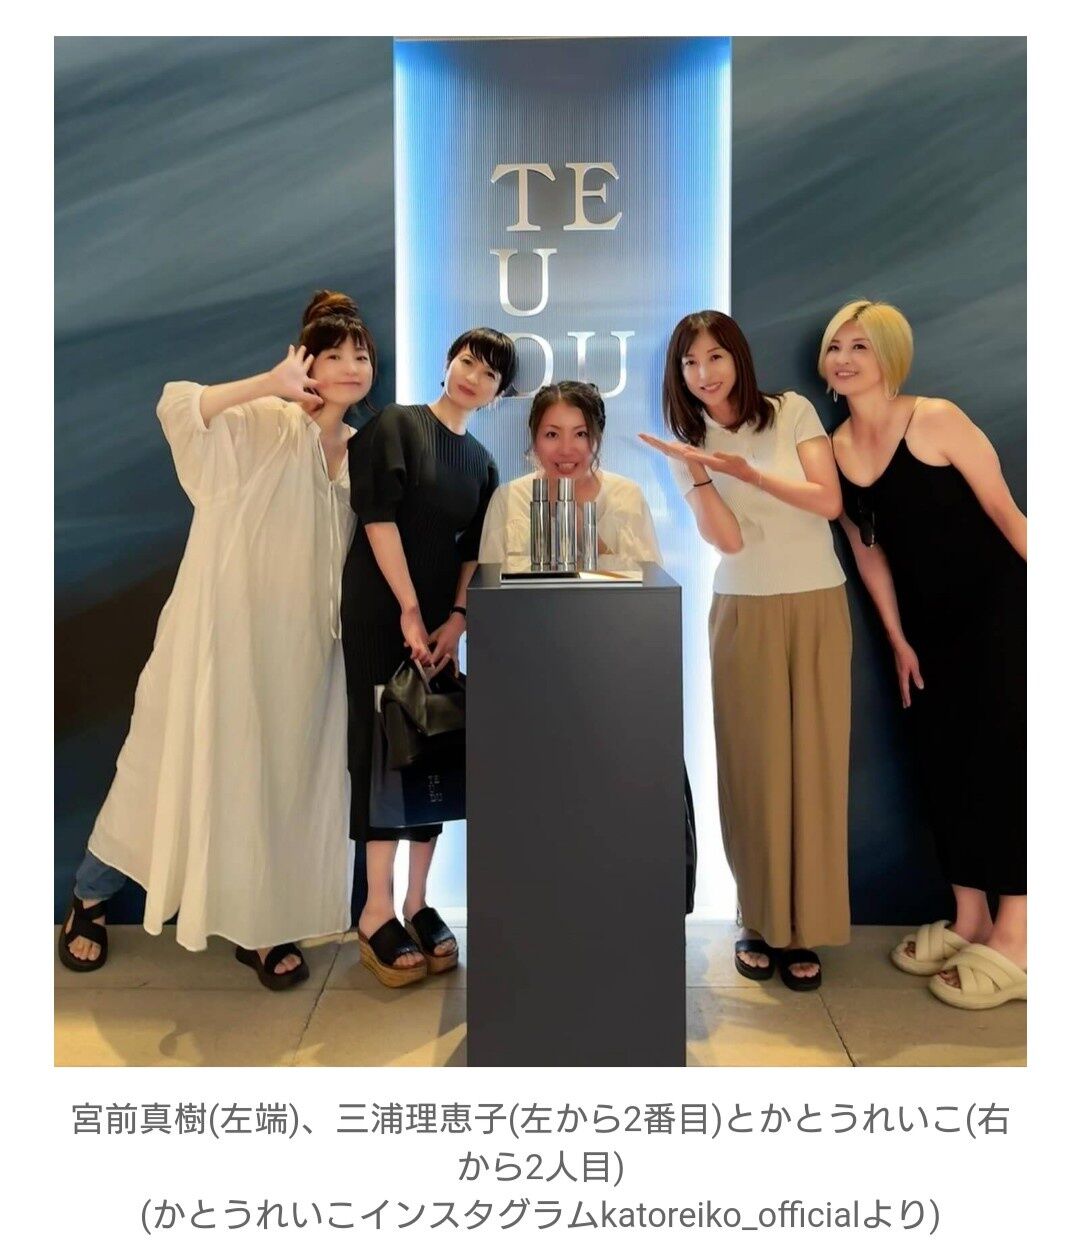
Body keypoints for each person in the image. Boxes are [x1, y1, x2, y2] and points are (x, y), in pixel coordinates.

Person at [58, 290, 374, 990]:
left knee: (277, 786)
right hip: (222, 637)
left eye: (361, 355)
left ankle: (260, 926)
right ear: (306, 363)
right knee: (167, 769)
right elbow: (178, 406)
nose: (351, 366)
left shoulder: (362, 450)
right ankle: (90, 896)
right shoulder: (264, 422)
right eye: (334, 355)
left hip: (305, 654)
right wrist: (269, 384)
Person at [821, 299, 1027, 1009]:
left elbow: (1007, 515)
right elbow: (866, 549)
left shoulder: (936, 418)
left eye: (861, 346)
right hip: (925, 629)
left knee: (1001, 762)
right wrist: (898, 637)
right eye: (836, 346)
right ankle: (971, 919)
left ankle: (1020, 935)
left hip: (999, 613)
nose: (844, 359)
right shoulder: (835, 448)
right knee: (944, 761)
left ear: (890, 356)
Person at [640, 310, 850, 990]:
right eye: (689, 363)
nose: (703, 373)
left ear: (738, 357)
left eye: (715, 357)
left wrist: (745, 471)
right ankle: (757, 918)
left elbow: (827, 501)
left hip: (817, 599)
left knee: (815, 765)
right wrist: (702, 475)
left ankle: (806, 924)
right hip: (742, 606)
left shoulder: (791, 412)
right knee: (753, 766)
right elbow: (728, 542)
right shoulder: (687, 443)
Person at [341, 328, 516, 987]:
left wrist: (457, 621)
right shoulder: (397, 426)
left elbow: (474, 552)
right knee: (380, 752)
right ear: (448, 363)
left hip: (439, 625)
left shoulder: (483, 464)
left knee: (432, 750)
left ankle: (418, 902)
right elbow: (377, 518)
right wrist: (410, 609)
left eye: (490, 374)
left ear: (498, 393)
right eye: (468, 361)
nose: (474, 376)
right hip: (381, 611)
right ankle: (375, 911)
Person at [478, 379, 661, 565]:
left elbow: (652, 580)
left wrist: (588, 537)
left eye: (581, 434)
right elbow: (488, 580)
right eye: (552, 434)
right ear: (534, 438)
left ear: (599, 437)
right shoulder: (508, 498)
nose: (566, 450)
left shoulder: (627, 497)